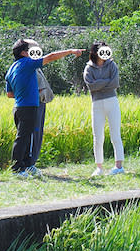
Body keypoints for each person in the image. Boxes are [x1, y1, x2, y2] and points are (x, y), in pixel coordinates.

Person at [6, 39, 83, 178]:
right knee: (24, 139)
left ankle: (24, 167)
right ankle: (18, 169)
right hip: (29, 107)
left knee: (24, 138)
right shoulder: (27, 63)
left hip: (18, 107)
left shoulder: (11, 68)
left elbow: (9, 94)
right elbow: (51, 57)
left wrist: (24, 89)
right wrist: (71, 51)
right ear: (24, 53)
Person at [83, 41, 125, 176]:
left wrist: (100, 84)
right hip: (97, 104)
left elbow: (115, 83)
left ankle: (119, 166)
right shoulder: (89, 68)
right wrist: (106, 82)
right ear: (95, 53)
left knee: (115, 135)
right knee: (98, 136)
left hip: (112, 101)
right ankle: (99, 167)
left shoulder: (112, 65)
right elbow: (91, 86)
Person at [25, 39, 55, 169]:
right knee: (33, 134)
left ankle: (33, 162)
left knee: (38, 133)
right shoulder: (28, 66)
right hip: (33, 104)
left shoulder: (35, 67)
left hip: (40, 103)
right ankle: (29, 163)